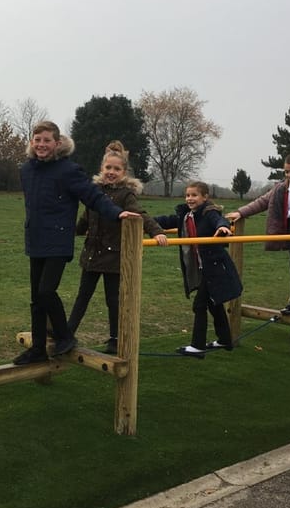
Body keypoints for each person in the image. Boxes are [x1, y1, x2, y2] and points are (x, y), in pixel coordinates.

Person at [14, 121, 140, 366]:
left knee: (46, 291)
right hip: (36, 239)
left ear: (57, 143)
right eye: (37, 140)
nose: (41, 145)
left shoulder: (68, 170)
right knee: (36, 298)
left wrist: (116, 213)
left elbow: (92, 196)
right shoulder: (26, 170)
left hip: (58, 240)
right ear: (32, 142)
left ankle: (65, 335)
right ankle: (38, 348)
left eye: (47, 140)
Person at [67, 141, 168, 355]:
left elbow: (140, 214)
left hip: (114, 257)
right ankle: (67, 333)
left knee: (113, 300)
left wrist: (156, 231)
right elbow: (86, 218)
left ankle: (115, 338)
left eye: (116, 169)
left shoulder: (125, 195)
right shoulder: (94, 192)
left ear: (124, 172)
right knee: (82, 296)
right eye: (108, 168)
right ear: (102, 169)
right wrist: (69, 231)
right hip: (93, 254)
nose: (111, 172)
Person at [225, 153, 290, 316]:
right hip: (289, 229)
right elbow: (262, 202)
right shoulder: (281, 188)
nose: (289, 175)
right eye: (286, 172)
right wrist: (241, 212)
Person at [155, 181, 243, 356]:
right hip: (204, 268)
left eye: (194, 195)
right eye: (187, 195)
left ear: (205, 197)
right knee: (213, 303)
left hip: (215, 267)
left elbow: (219, 220)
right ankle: (225, 339)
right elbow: (166, 220)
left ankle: (197, 345)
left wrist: (223, 227)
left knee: (200, 304)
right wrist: (144, 220)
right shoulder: (186, 216)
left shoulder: (209, 213)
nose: (190, 198)